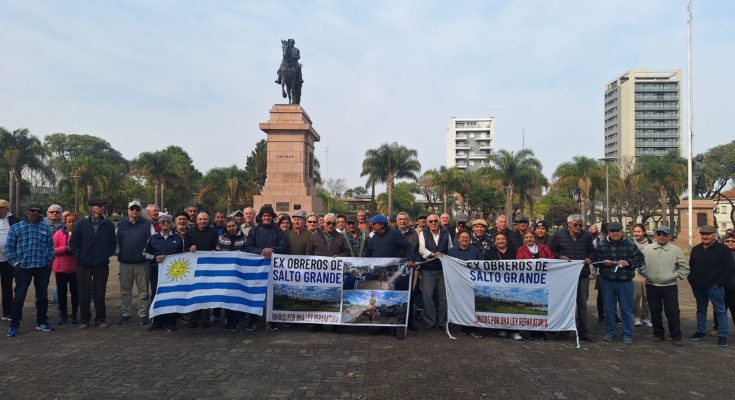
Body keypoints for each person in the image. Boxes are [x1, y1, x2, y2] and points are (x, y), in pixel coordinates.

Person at [5, 204, 55, 337]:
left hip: (42, 267)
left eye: (38, 211)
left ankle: (42, 322)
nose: (34, 213)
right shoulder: (16, 228)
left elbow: (50, 246)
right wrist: (16, 263)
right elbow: (9, 248)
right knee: (19, 297)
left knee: (42, 296)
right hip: (23, 268)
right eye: (32, 211)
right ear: (26, 212)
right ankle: (14, 325)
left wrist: (49, 261)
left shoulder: (45, 228)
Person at [365, 214, 415, 340]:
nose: (371, 225)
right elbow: (367, 255)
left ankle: (398, 327)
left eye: (374, 223)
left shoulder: (395, 234)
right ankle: (381, 325)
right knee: (381, 299)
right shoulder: (373, 237)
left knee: (395, 300)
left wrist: (410, 259)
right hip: (378, 276)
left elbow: (408, 247)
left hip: (395, 276)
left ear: (381, 225)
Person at [69, 198, 116, 329]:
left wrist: (106, 254)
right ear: (91, 207)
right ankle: (84, 319)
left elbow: (112, 243)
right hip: (83, 265)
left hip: (101, 265)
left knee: (100, 294)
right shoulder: (80, 224)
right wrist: (81, 256)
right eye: (98, 206)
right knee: (84, 294)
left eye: (103, 206)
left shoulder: (108, 225)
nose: (101, 208)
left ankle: (100, 319)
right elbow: (73, 244)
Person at [550, 214, 596, 342]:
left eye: (580, 225)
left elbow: (592, 252)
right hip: (564, 276)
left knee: (582, 304)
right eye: (575, 224)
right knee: (564, 303)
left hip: (582, 274)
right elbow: (551, 252)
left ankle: (583, 332)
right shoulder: (559, 235)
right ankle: (563, 330)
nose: (578, 227)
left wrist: (590, 258)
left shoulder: (587, 236)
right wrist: (560, 257)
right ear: (569, 224)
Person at [595, 222, 644, 345]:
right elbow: (595, 260)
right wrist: (603, 262)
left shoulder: (630, 244)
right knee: (609, 309)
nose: (615, 233)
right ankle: (610, 332)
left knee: (626, 309)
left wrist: (627, 262)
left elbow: (640, 259)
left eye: (617, 231)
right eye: (612, 231)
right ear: (608, 232)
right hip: (607, 281)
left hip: (625, 281)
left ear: (622, 231)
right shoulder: (601, 245)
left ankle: (627, 334)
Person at [640, 226, 689, 346]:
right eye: (659, 234)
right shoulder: (647, 249)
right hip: (652, 285)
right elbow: (640, 264)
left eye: (665, 234)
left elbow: (684, 267)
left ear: (669, 236)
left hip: (669, 286)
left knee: (672, 311)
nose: (662, 236)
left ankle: (676, 336)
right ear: (655, 235)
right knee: (655, 310)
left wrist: (674, 276)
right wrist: (646, 273)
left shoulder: (675, 250)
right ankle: (658, 333)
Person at [687, 225, 735, 346]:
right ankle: (700, 331)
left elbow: (729, 269)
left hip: (715, 287)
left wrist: (719, 283)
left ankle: (723, 335)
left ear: (714, 235)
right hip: (699, 286)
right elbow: (692, 266)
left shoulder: (723, 249)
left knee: (720, 311)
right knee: (701, 309)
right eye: (703, 234)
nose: (705, 236)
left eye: (708, 234)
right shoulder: (696, 249)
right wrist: (692, 280)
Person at [244, 205, 288, 332]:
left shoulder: (278, 231)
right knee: (255, 295)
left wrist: (272, 249)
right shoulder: (254, 231)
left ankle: (272, 322)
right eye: (264, 216)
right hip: (257, 269)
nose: (267, 218)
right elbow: (248, 247)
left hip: (274, 269)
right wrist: (261, 251)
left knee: (273, 295)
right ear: (261, 218)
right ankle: (253, 321)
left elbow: (284, 246)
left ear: (272, 217)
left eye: (269, 216)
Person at [143, 213, 185, 332]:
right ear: (159, 224)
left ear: (171, 223)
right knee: (157, 295)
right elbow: (145, 253)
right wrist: (155, 258)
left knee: (172, 295)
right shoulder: (153, 238)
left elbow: (183, 255)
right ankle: (157, 321)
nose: (165, 224)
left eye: (168, 222)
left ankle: (171, 322)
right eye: (163, 222)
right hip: (156, 272)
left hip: (174, 273)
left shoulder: (178, 238)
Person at [116, 200, 152, 326]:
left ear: (140, 211)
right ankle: (126, 314)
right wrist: (119, 253)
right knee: (125, 291)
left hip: (142, 264)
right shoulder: (121, 225)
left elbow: (152, 242)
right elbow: (116, 242)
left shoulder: (147, 224)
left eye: (137, 209)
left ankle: (143, 315)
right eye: (132, 209)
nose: (135, 211)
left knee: (143, 291)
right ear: (128, 211)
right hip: (125, 263)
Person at [516, 230, 554, 340]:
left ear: (534, 237)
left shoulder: (544, 248)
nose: (529, 239)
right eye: (526, 237)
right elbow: (519, 263)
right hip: (528, 282)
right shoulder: (521, 250)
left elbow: (551, 260)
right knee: (530, 306)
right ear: (524, 239)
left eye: (531, 237)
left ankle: (541, 331)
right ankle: (532, 332)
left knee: (541, 306)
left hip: (543, 281)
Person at [185, 211, 219, 328]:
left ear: (208, 220)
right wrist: (190, 248)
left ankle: (205, 320)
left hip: (208, 267)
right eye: (200, 219)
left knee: (206, 293)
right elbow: (184, 248)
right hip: (194, 268)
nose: (202, 221)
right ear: (196, 221)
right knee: (194, 293)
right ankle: (193, 319)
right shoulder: (189, 232)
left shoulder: (213, 232)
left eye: (205, 219)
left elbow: (217, 248)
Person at [418, 213, 452, 330]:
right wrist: (432, 254)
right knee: (427, 296)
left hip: (443, 270)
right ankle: (430, 321)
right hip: (428, 269)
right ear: (427, 223)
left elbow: (450, 247)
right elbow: (421, 250)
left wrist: (445, 255)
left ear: (439, 222)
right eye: (430, 221)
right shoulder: (423, 233)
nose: (433, 223)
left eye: (435, 221)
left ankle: (443, 322)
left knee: (444, 297)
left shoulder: (446, 232)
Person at [448, 230, 484, 338]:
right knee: (461, 304)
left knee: (472, 305)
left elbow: (482, 264)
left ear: (470, 239)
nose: (465, 239)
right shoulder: (451, 251)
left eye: (467, 237)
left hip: (472, 283)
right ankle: (463, 326)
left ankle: (474, 328)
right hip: (457, 283)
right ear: (458, 239)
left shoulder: (475, 251)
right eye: (462, 237)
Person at [216, 217, 247, 331]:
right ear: (226, 227)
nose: (231, 228)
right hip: (226, 274)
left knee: (237, 297)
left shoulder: (244, 239)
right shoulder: (221, 238)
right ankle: (228, 321)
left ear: (237, 226)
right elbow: (217, 253)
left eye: (233, 226)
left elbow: (247, 253)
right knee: (227, 297)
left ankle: (236, 321)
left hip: (239, 273)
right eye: (229, 226)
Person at [53, 212, 79, 325]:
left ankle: (74, 314)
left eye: (74, 221)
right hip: (60, 269)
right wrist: (65, 248)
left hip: (75, 268)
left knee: (75, 293)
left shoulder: (81, 234)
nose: (71, 223)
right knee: (62, 293)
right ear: (65, 222)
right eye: (69, 221)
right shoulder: (58, 234)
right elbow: (52, 250)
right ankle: (63, 315)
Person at [0, 199, 20, 321]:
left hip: (8, 259)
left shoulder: (14, 220)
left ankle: (7, 312)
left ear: (6, 209)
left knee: (7, 285)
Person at [630, 223, 652, 328]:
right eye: (635, 231)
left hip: (647, 273)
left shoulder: (650, 243)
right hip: (634, 273)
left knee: (647, 297)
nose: (636, 233)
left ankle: (646, 317)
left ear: (644, 232)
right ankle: (636, 316)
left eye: (639, 231)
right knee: (636, 296)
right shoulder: (629, 243)